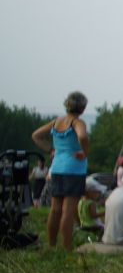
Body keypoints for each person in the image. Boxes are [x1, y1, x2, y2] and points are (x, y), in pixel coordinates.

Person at [31, 91, 91, 250]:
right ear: (83, 108)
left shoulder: (56, 122)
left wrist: (50, 150)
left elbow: (36, 136)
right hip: (74, 170)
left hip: (56, 168)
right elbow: (83, 137)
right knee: (68, 211)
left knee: (55, 208)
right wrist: (85, 152)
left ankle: (51, 245)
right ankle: (66, 248)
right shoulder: (78, 123)